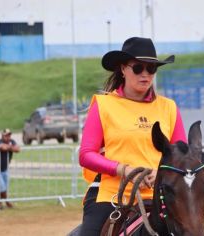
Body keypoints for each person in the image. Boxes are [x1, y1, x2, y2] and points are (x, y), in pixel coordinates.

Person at [78, 37, 187, 235]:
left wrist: (159, 172)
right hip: (112, 195)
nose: (145, 74)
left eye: (151, 69)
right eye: (138, 68)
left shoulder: (169, 107)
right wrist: (122, 169)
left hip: (160, 196)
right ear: (123, 69)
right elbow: (86, 154)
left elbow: (181, 155)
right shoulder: (103, 105)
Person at [0, 128, 20, 208]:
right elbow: (2, 147)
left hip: (4, 168)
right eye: (6, 135)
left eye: (9, 135)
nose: (8, 137)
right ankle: (5, 202)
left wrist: (9, 147)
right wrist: (11, 147)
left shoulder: (12, 141)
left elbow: (18, 149)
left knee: (4, 188)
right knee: (2, 187)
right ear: (2, 136)